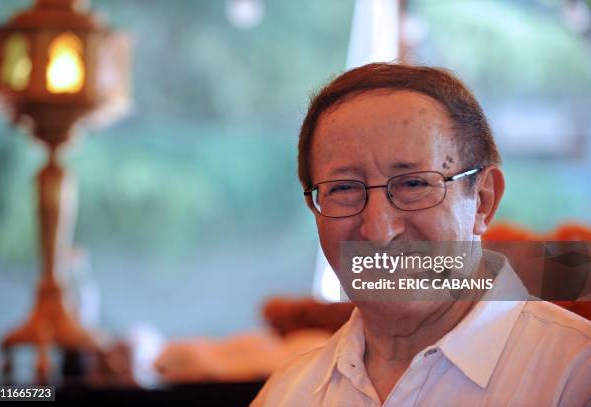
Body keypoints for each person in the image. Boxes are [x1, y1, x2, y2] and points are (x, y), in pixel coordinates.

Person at [251, 63, 591, 406]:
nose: (380, 231)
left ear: (483, 201)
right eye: (343, 188)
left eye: (414, 184)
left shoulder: (574, 374)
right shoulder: (287, 394)